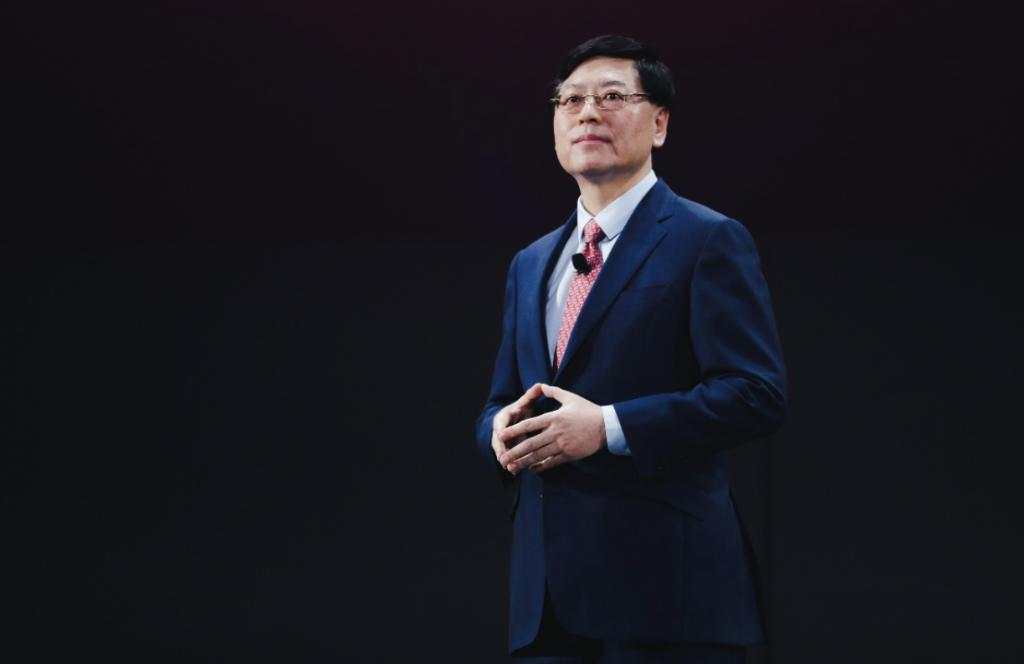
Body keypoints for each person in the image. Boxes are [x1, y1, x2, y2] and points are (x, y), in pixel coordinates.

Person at [474, 35, 787, 663]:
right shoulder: (531, 262)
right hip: (548, 605)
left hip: (668, 597)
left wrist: (607, 427)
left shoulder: (707, 239)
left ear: (660, 124)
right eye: (571, 100)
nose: (588, 112)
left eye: (613, 97)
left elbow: (755, 394)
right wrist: (498, 432)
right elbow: (500, 400)